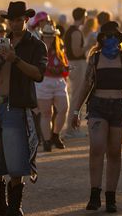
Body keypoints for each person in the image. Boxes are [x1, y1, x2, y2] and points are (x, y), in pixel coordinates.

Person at [0, 1, 48, 216]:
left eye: (19, 20)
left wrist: (15, 59)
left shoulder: (36, 45)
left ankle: (14, 208)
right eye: (11, 20)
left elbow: (38, 74)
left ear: (26, 20)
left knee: (16, 159)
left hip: (15, 106)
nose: (15, 24)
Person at [70, 21, 122, 213]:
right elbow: (85, 85)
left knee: (115, 152)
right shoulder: (95, 58)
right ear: (101, 39)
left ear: (118, 38)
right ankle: (94, 194)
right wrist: (76, 110)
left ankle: (111, 197)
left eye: (113, 36)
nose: (109, 40)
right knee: (97, 147)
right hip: (98, 106)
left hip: (119, 107)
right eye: (106, 36)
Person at [35, 22, 70, 152]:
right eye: (46, 35)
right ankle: (47, 140)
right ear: (43, 36)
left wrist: (63, 69)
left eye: (51, 35)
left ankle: (55, 134)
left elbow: (65, 66)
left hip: (58, 81)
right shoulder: (38, 50)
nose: (49, 38)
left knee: (63, 108)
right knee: (46, 113)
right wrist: (50, 68)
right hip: (44, 81)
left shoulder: (59, 49)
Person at [64, 7, 88, 139]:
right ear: (82, 16)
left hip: (74, 64)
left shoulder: (72, 31)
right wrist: (89, 44)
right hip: (77, 65)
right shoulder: (76, 32)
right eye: (85, 16)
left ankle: (73, 127)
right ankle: (72, 129)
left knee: (77, 97)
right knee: (77, 98)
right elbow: (77, 52)